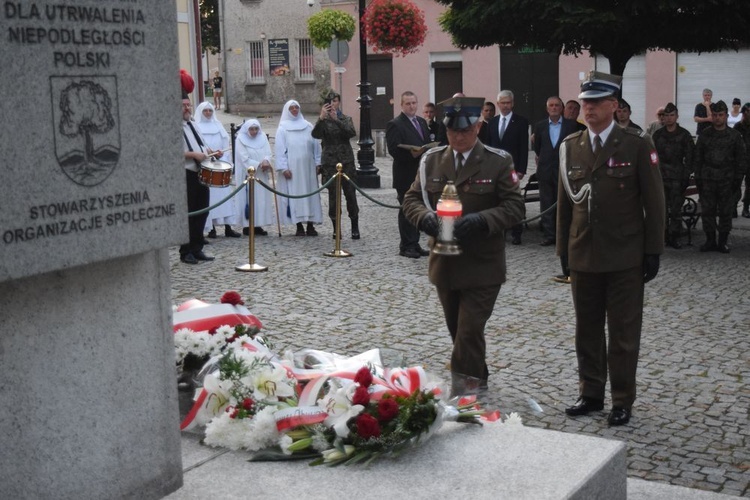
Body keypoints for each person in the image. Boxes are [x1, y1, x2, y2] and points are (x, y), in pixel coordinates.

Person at [557, 71, 665, 426]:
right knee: (586, 329)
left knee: (622, 332)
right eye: (585, 102)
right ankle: (590, 393)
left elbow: (655, 201)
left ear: (614, 105)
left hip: (624, 256)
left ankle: (621, 398)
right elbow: (564, 205)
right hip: (583, 253)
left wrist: (653, 250)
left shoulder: (636, 144)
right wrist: (563, 250)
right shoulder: (571, 147)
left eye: (596, 102)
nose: (587, 108)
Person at [401, 97, 525, 395]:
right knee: (459, 331)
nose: (458, 136)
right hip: (445, 263)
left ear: (479, 127)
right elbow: (411, 200)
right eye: (452, 131)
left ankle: (464, 395)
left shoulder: (498, 161)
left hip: (483, 265)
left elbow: (515, 207)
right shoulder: (431, 160)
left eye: (465, 131)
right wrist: (424, 218)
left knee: (469, 332)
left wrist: (483, 220)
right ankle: (478, 374)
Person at [694, 100, 747, 253]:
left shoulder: (735, 136)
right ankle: (710, 240)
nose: (717, 118)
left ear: (725, 116)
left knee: (725, 212)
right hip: (708, 179)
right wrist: (698, 178)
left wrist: (737, 180)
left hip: (727, 180)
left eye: (720, 115)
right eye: (715, 115)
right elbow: (698, 158)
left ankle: (722, 241)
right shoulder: (705, 135)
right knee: (708, 211)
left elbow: (741, 160)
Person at [386, 91, 431, 258]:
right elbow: (393, 149)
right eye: (408, 103)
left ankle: (415, 242)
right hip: (405, 174)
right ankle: (406, 245)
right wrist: (411, 154)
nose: (412, 106)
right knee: (406, 210)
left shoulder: (421, 122)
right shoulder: (395, 124)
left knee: (418, 208)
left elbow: (425, 142)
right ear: (402, 105)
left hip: (421, 173)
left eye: (414, 103)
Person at [179, 70, 217, 264]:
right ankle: (185, 251)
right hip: (186, 174)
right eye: (184, 106)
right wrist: (193, 155)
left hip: (201, 172)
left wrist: (211, 152)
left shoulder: (193, 124)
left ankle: (197, 246)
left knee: (203, 210)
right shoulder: (173, 126)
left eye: (188, 105)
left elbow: (202, 146)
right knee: (189, 213)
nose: (187, 108)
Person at [312, 90, 360, 240]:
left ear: (339, 102)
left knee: (350, 195)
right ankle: (336, 228)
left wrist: (336, 120)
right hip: (330, 163)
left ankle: (354, 226)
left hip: (346, 162)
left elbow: (351, 132)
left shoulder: (345, 118)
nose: (333, 104)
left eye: (335, 101)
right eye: (330, 102)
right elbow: (315, 134)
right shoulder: (323, 122)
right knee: (333, 197)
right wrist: (321, 118)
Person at [532, 96, 579, 248]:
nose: (554, 108)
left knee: (563, 203)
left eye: (557, 105)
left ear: (562, 108)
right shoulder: (540, 126)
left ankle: (562, 235)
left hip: (563, 169)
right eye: (551, 105)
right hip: (545, 169)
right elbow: (538, 147)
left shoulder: (571, 126)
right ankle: (549, 235)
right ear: (547, 109)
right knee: (546, 203)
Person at [486, 90, 529, 245]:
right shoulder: (492, 122)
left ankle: (516, 233)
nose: (505, 106)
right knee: (496, 201)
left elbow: (524, 148)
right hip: (495, 170)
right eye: (502, 103)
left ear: (513, 103)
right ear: (498, 104)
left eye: (508, 102)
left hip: (513, 169)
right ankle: (498, 231)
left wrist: (521, 170)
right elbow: (488, 147)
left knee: (513, 201)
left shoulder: (521, 122)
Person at [193, 102, 241, 239]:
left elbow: (225, 144)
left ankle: (228, 227)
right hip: (207, 166)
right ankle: (211, 228)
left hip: (220, 165)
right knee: (210, 200)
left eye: (210, 110)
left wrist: (222, 155)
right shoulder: (197, 128)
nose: (208, 113)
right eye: (205, 111)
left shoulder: (218, 125)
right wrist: (210, 154)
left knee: (224, 198)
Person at [275, 100, 323, 236]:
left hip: (308, 167)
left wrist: (318, 163)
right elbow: (280, 150)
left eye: (297, 107)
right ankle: (299, 225)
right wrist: (284, 168)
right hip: (293, 168)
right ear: (287, 110)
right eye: (292, 108)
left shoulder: (308, 126)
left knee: (310, 195)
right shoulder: (283, 128)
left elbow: (316, 146)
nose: (295, 110)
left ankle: (310, 224)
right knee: (295, 195)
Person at [651, 103, 695, 249]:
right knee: (661, 210)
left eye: (672, 115)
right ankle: (662, 237)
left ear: (676, 116)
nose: (669, 118)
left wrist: (686, 175)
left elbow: (690, 158)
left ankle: (674, 237)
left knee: (676, 211)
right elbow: (652, 157)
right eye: (666, 115)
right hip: (661, 177)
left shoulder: (684, 135)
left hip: (677, 177)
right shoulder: (657, 135)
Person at [235, 119, 275, 236]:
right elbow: (243, 158)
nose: (254, 131)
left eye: (256, 129)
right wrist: (258, 164)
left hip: (261, 174)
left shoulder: (262, 137)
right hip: (248, 174)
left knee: (261, 199)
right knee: (249, 199)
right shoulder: (240, 139)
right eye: (251, 129)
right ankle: (248, 225)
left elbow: (268, 152)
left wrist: (266, 161)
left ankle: (258, 224)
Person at [734, 102, 750, 218]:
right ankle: (733, 208)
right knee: (735, 185)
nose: (747, 115)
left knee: (749, 187)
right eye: (746, 112)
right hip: (738, 161)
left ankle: (745, 208)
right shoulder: (737, 127)